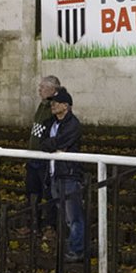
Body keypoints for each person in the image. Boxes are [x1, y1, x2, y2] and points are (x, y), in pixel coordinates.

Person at [41, 88, 85, 260]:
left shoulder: (73, 124)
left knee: (74, 217)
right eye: (52, 102)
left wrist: (53, 145)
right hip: (55, 174)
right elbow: (44, 142)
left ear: (66, 106)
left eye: (56, 103)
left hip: (69, 175)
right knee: (66, 216)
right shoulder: (51, 123)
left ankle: (77, 250)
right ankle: (71, 247)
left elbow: (58, 142)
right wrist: (53, 145)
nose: (53, 105)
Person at [25, 75, 60, 227]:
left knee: (48, 194)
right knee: (32, 193)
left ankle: (50, 226)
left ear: (53, 90)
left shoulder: (54, 108)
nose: (39, 90)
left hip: (44, 159)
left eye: (43, 87)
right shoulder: (41, 106)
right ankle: (33, 223)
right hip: (32, 157)